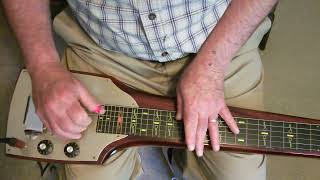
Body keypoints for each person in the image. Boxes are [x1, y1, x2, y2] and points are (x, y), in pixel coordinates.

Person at [3, 0, 278, 179]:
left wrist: (211, 68)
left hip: (217, 44)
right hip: (103, 49)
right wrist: (43, 67)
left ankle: (179, 152)